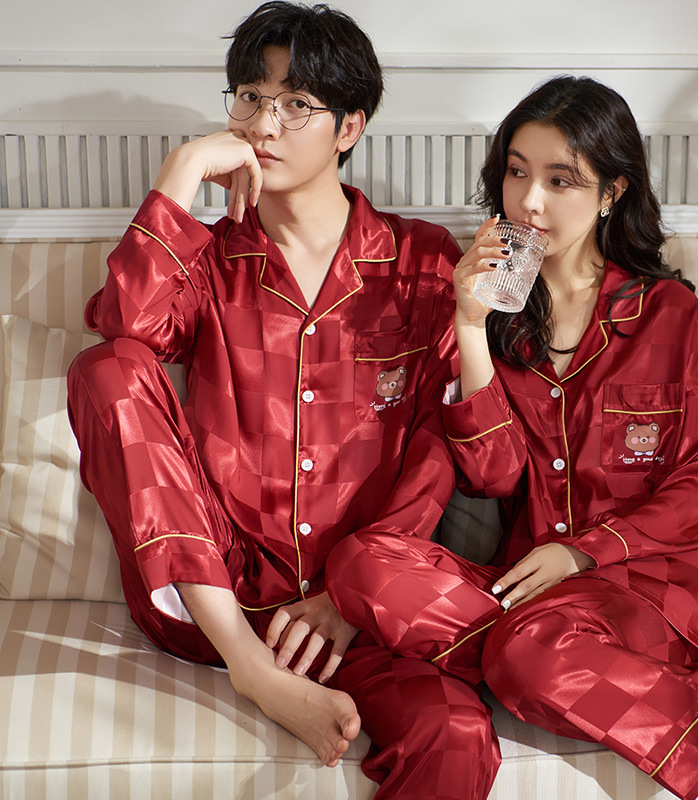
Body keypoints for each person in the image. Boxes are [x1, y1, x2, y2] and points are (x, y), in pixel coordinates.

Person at [67, 3, 500, 797]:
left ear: (349, 127)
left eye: (296, 103)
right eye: (250, 97)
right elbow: (126, 327)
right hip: (214, 596)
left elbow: (438, 449)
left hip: (357, 607)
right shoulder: (208, 261)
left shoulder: (421, 262)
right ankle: (253, 671)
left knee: (456, 731)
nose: (264, 124)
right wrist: (182, 171)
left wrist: (350, 596)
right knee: (106, 369)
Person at [327, 75, 698, 800]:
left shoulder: (665, 313)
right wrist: (469, 327)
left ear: (612, 191)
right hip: (533, 591)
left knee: (527, 654)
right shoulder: (494, 313)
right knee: (360, 564)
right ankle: (585, 673)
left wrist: (584, 551)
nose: (530, 202)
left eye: (560, 180)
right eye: (517, 173)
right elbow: (492, 475)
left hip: (657, 580)